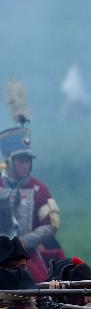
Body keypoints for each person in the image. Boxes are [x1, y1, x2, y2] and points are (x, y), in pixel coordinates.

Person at [0, 121, 65, 282]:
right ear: (9, 160)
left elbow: (52, 223)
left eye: (28, 160)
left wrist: (24, 241)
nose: (26, 165)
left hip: (26, 254)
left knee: (39, 283)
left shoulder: (39, 188)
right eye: (21, 160)